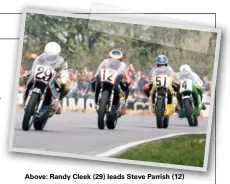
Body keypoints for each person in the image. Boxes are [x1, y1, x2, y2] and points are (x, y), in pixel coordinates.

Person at [24, 42, 70, 115]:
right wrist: (30, 72)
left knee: (66, 86)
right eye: (48, 55)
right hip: (42, 75)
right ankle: (27, 91)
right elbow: (35, 65)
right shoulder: (41, 57)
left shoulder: (62, 60)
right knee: (25, 76)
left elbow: (64, 71)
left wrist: (63, 78)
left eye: (53, 56)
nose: (50, 57)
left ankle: (58, 101)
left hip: (55, 77)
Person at [91, 49, 130, 116]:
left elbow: (126, 75)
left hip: (117, 81)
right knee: (93, 81)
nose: (114, 62)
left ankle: (123, 104)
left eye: (116, 60)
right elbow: (99, 70)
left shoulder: (123, 65)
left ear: (120, 59)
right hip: (105, 79)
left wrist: (126, 80)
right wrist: (96, 75)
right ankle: (96, 98)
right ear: (109, 58)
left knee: (126, 87)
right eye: (112, 59)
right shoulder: (105, 62)